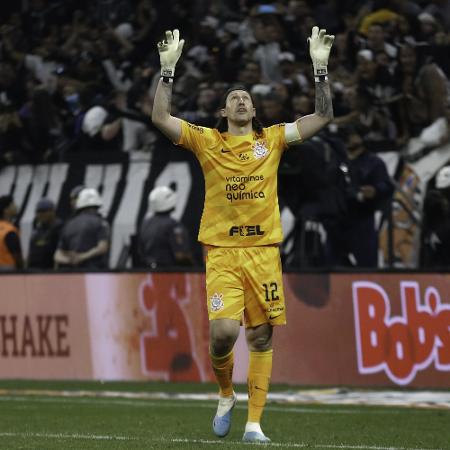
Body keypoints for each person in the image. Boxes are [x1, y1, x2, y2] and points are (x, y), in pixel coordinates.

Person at [151, 27, 334, 442]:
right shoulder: (206, 141)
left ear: (253, 111)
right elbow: (160, 118)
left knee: (261, 334)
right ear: (223, 109)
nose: (240, 99)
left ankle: (254, 424)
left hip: (264, 251)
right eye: (233, 97)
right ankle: (224, 392)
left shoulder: (272, 141)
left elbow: (322, 117)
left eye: (246, 98)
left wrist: (320, 70)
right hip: (222, 251)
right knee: (223, 334)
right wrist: (167, 73)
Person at [326, 125, 394, 267]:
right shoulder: (337, 160)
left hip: (362, 220)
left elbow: (386, 185)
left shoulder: (373, 162)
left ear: (361, 137)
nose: (348, 139)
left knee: (367, 266)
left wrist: (374, 190)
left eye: (352, 134)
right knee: (332, 266)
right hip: (337, 221)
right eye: (345, 135)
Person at [137, 186, 193, 268]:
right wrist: (195, 266)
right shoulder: (173, 225)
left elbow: (140, 251)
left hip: (148, 271)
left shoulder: (145, 223)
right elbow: (180, 255)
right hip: (169, 273)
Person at [54, 188, 110, 269]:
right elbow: (102, 248)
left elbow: (57, 256)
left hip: (72, 275)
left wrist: (70, 261)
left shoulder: (68, 224)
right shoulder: (101, 223)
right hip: (96, 273)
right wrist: (82, 257)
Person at [28, 197, 63, 269]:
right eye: (39, 212)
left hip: (52, 272)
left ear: (52, 211)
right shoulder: (36, 231)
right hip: (35, 272)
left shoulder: (60, 228)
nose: (41, 214)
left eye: (44, 211)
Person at [0, 194, 23, 270]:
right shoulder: (9, 231)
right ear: (6, 210)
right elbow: (17, 256)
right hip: (9, 274)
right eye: (13, 205)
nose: (16, 207)